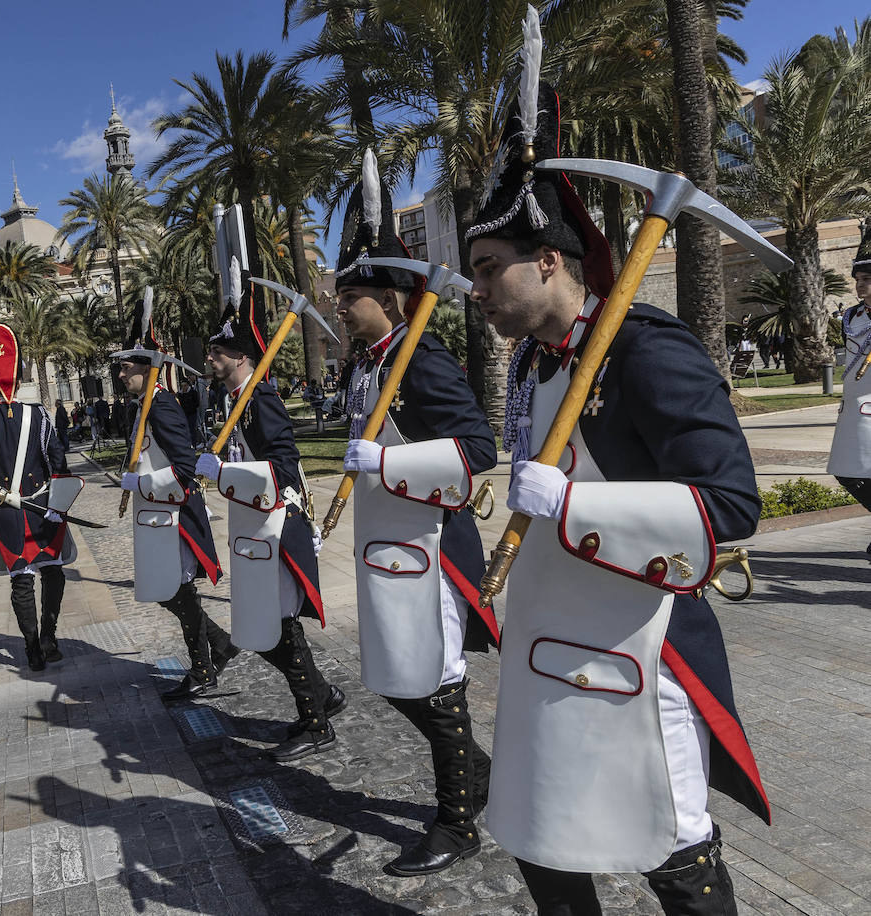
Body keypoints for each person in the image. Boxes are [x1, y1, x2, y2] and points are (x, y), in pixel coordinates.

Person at [464, 71, 767, 914]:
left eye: (490, 270)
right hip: (546, 642)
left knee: (669, 847)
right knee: (537, 829)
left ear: (550, 260)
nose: (477, 291)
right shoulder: (532, 361)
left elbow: (729, 504)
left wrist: (575, 508)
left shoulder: (641, 349)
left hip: (643, 651)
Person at [332, 154, 501, 876]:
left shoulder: (421, 358)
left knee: (436, 679)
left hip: (431, 551)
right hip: (384, 550)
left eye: (353, 295)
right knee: (396, 677)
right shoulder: (367, 363)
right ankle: (479, 772)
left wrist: (389, 465)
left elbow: (479, 448)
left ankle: (459, 822)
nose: (340, 306)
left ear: (391, 297)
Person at [195, 292, 342, 762]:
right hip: (254, 525)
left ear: (241, 357)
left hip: (278, 522)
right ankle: (323, 696)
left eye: (217, 352)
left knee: (276, 625)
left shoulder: (261, 397)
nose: (210, 358)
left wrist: (222, 474)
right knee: (260, 628)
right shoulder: (235, 397)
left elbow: (283, 466)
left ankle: (316, 723)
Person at [113, 303, 237, 701]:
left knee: (176, 592)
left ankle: (204, 670)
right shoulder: (145, 406)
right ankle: (218, 645)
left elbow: (185, 469)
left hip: (174, 518)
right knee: (169, 593)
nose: (120, 375)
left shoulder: (162, 404)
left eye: (125, 368)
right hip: (157, 518)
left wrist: (142, 483)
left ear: (144, 369)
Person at [0, 323, 81, 671]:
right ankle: (49, 637)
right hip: (44, 505)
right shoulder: (39, 414)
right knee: (53, 572)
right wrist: (61, 501)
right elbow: (57, 461)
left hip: (9, 513)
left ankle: (32, 649)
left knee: (22, 579)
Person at [827, 224, 871, 555]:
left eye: (867, 280)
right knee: (847, 471)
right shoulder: (851, 316)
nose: (861, 286)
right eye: (858, 280)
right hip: (854, 402)